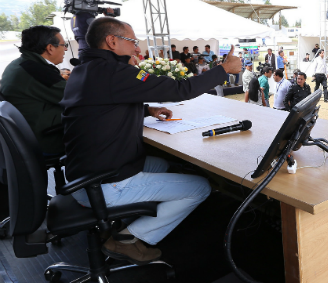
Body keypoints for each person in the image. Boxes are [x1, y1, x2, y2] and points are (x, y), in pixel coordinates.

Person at [61, 17, 242, 264]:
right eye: (132, 41)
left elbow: (100, 104)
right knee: (200, 187)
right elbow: (181, 89)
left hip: (82, 175)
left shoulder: (84, 70)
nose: (137, 48)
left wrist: (147, 110)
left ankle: (146, 211)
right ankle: (127, 239)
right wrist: (224, 70)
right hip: (106, 184)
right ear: (112, 41)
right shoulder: (116, 72)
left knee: (162, 164)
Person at [0, 25, 68, 155]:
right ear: (50, 48)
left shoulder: (20, 64)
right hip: (44, 136)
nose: (65, 49)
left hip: (24, 131)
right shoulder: (38, 71)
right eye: (63, 45)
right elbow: (76, 97)